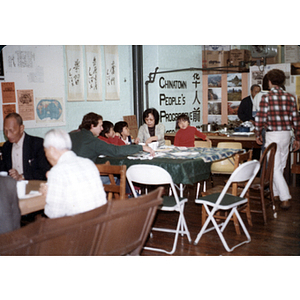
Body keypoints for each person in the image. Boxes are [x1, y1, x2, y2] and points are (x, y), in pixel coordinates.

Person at [255, 69, 300, 210]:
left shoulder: (266, 98)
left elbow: (260, 119)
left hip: (272, 135)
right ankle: (274, 194)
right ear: (282, 82)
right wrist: (297, 138)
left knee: (274, 167)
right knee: (280, 166)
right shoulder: (291, 97)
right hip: (287, 134)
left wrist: (257, 134)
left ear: (269, 81)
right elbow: (296, 120)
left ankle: (285, 198)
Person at [40, 129, 107, 219]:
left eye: (45, 151)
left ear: (52, 149)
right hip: (100, 224)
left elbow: (54, 214)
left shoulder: (57, 171)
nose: (46, 155)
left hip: (76, 227)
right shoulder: (88, 163)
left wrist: (48, 195)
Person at [69, 112, 154, 162]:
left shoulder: (70, 135)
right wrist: (141, 147)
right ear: (92, 126)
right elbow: (116, 150)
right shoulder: (93, 141)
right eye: (100, 126)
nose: (102, 129)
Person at [0, 113, 50, 181]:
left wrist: (22, 176)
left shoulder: (37, 144)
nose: (8, 135)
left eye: (11, 131)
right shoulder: (6, 147)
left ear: (21, 128)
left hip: (32, 187)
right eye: (5, 131)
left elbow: (45, 171)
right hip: (12, 188)